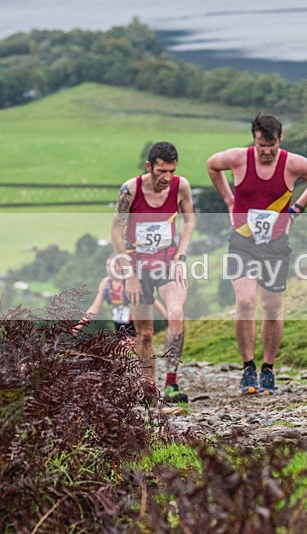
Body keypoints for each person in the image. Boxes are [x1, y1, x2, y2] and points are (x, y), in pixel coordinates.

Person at [207, 113, 307, 395]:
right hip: (242, 241)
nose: (266, 151)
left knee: (272, 308)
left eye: (271, 145)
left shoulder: (291, 164)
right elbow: (212, 165)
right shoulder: (239, 159)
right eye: (261, 145)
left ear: (280, 140)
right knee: (246, 301)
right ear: (254, 139)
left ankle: (268, 368)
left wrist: (297, 208)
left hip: (275, 244)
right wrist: (228, 198)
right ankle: (248, 367)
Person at [111, 141, 195, 404]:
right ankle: (149, 386)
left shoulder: (181, 186)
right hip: (137, 265)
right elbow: (116, 230)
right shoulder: (131, 189)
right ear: (149, 167)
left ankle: (171, 383)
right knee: (144, 334)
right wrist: (129, 275)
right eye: (162, 172)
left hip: (167, 262)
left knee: (176, 314)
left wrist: (181, 257)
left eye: (171, 171)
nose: (167, 178)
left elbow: (189, 220)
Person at [76, 256, 167, 341]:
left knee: (124, 347)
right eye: (108, 265)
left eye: (114, 266)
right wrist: (79, 326)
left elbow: (151, 300)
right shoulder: (106, 283)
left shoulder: (131, 282)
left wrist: (166, 317)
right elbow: (95, 307)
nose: (110, 269)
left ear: (121, 267)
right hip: (119, 323)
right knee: (121, 351)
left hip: (135, 322)